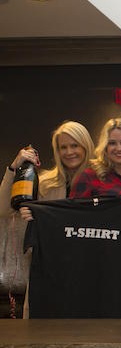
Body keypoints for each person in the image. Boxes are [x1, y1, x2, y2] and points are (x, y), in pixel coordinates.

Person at [0, 121, 95, 318]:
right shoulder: (44, 184)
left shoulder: (102, 184)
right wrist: (13, 168)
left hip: (88, 274)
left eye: (75, 145)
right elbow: (3, 210)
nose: (69, 152)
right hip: (48, 275)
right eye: (63, 147)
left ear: (86, 146)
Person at [69, 118, 121, 207]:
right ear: (105, 147)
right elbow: (74, 215)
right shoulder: (89, 177)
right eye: (112, 143)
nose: (119, 148)